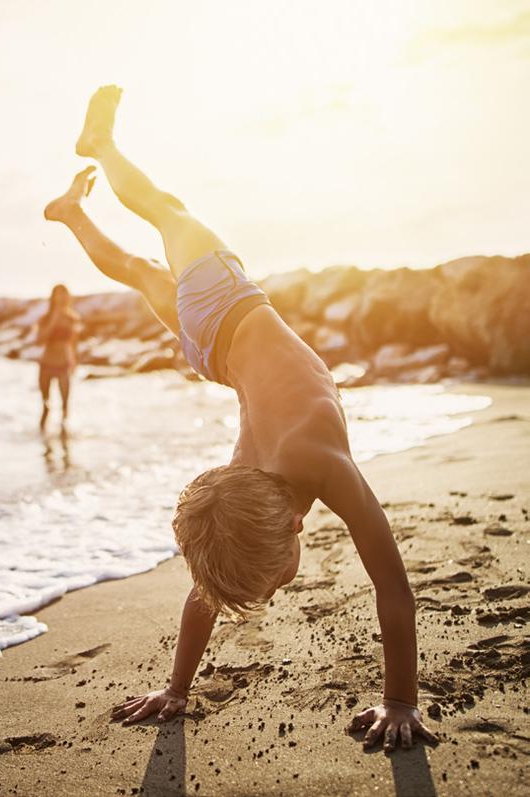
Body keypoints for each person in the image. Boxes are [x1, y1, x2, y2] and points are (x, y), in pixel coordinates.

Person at [43, 85, 437, 753]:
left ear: (286, 522)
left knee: (164, 221)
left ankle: (95, 164)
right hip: (212, 353)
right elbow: (210, 588)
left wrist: (401, 700)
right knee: (147, 251)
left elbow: (394, 589)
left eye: (279, 574)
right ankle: (78, 198)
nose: (285, 583)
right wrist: (175, 689)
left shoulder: (314, 463)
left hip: (218, 306)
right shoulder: (247, 476)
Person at [35, 284, 81, 429]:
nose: (61, 297)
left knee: (65, 407)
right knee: (45, 405)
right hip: (46, 364)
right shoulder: (45, 318)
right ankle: (44, 445)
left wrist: (74, 363)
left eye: (63, 294)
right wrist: (54, 318)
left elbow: (73, 344)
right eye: (58, 294)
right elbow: (39, 340)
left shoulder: (72, 319)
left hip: (63, 365)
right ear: (53, 298)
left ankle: (65, 443)